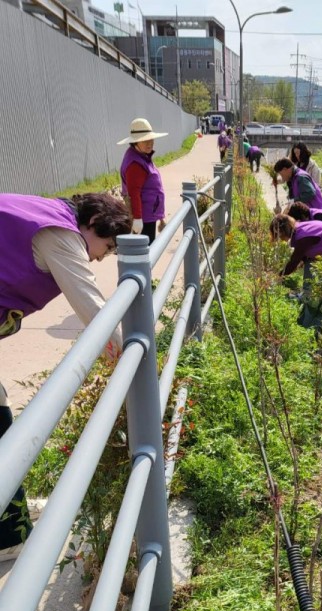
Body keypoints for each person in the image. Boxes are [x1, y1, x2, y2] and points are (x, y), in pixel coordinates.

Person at [0, 191, 132, 561]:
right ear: (92, 224)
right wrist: (133, 363)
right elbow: (95, 311)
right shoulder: (60, 235)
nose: (98, 257)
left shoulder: (50, 212)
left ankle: (12, 512)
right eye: (105, 246)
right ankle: (8, 533)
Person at [118, 117, 168, 244]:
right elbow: (134, 193)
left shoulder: (141, 157)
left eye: (151, 139)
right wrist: (138, 218)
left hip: (148, 214)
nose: (149, 143)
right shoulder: (135, 164)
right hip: (144, 218)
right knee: (146, 253)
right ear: (135, 143)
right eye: (144, 140)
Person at [269, 214, 322, 294]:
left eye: (278, 236)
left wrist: (278, 276)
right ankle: (307, 293)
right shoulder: (299, 229)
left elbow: (294, 261)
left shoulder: (303, 236)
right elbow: (303, 256)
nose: (280, 239)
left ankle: (310, 295)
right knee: (310, 262)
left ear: (282, 231)